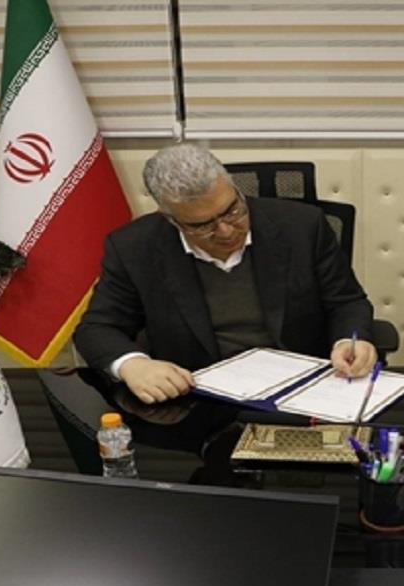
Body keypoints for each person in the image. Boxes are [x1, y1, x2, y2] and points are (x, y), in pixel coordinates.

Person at [74, 143, 377, 404]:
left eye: (232, 210)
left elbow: (346, 302)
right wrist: (133, 364)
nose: (226, 230)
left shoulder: (301, 226)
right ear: (169, 219)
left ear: (234, 190)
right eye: (202, 225)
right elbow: (97, 328)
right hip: (199, 398)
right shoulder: (134, 247)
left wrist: (349, 341)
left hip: (300, 392)